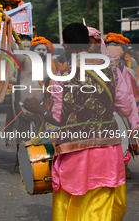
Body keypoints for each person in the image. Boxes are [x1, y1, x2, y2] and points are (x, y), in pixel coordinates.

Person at [24, 23, 139, 220]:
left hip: (74, 152)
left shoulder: (61, 77)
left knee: (73, 200)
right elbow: (128, 108)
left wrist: (40, 110)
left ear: (66, 45)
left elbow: (58, 120)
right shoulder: (113, 72)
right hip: (107, 150)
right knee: (101, 200)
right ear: (87, 42)